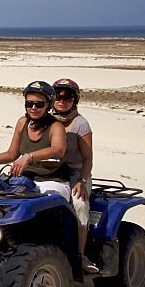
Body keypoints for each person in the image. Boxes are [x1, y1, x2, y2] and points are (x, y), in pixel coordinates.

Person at [0, 81, 96, 272]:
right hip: (28, 178)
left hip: (57, 178)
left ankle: (77, 255)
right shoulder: (23, 122)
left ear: (48, 104)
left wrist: (29, 157)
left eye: (39, 104)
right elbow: (11, 154)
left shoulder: (62, 126)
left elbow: (59, 150)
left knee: (74, 205)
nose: (33, 107)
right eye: (29, 103)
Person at [52, 78, 98, 273]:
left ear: (75, 100)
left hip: (75, 173)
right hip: (50, 171)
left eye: (68, 97)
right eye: (58, 96)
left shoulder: (80, 123)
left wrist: (82, 181)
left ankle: (80, 255)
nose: (62, 101)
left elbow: (88, 158)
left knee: (79, 204)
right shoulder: (45, 119)